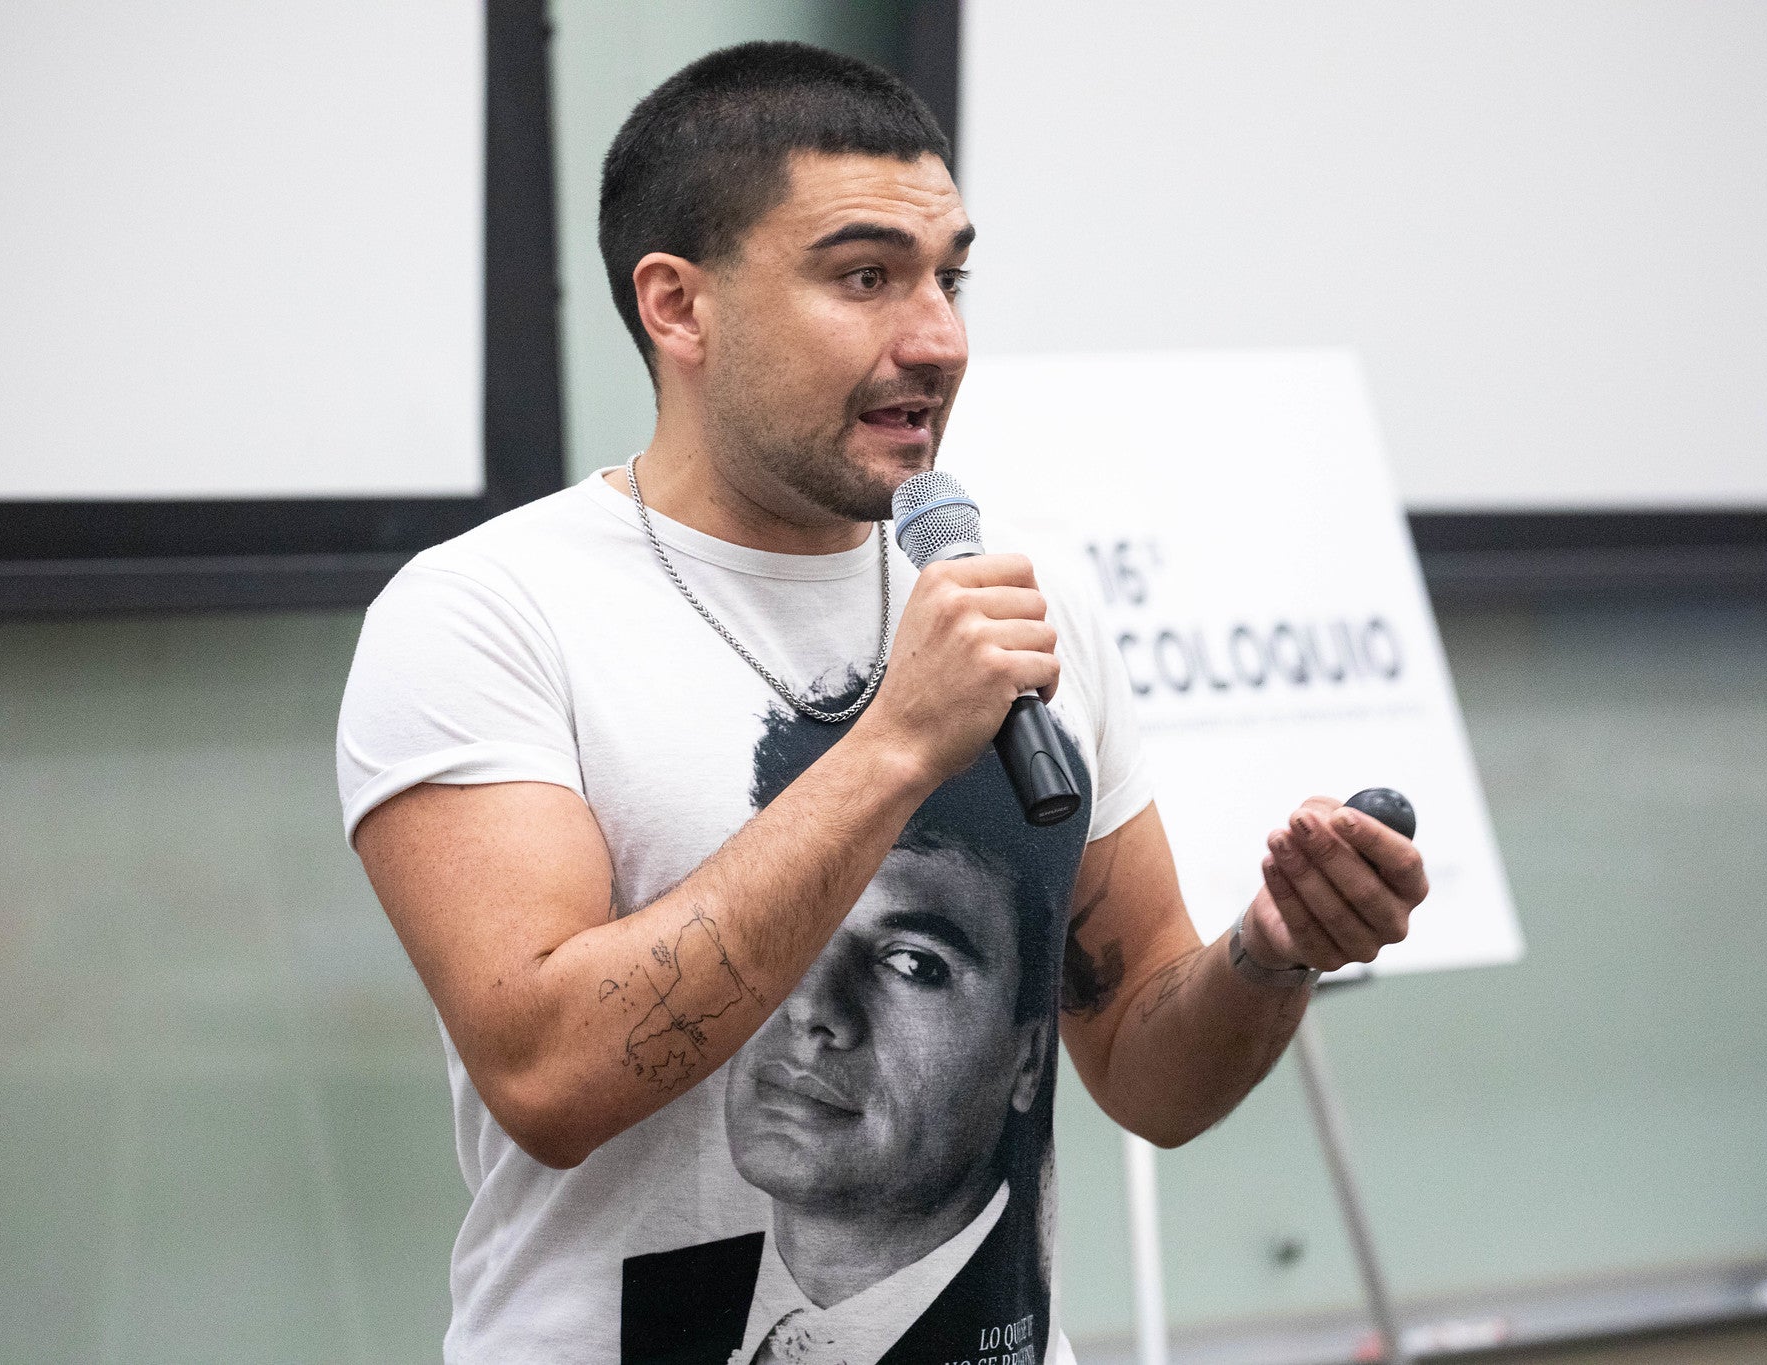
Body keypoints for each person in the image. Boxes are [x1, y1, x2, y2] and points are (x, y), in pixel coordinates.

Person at [336, 40, 1427, 1365]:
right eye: (866, 278)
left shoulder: (1027, 598)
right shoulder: (486, 615)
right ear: (679, 308)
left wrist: (1272, 949)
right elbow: (549, 1079)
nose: (939, 339)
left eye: (950, 277)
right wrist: (900, 742)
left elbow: (1146, 1065)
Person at [618, 689, 1066, 1365]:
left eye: (913, 963)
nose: (811, 1007)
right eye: (782, 928)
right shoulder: (660, 1304)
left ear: (1028, 1060)